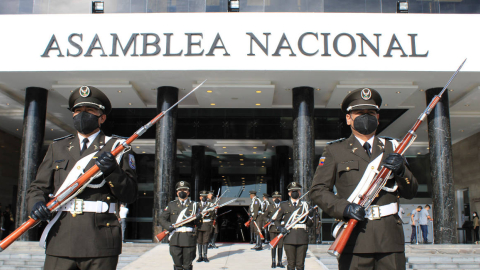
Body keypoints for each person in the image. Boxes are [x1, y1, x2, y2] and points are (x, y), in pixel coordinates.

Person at [26, 86, 138, 270]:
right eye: (77, 111)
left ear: (101, 118)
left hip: (100, 239)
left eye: (89, 111)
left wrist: (113, 171)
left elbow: (130, 195)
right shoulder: (58, 147)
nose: (82, 115)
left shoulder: (117, 148)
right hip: (61, 235)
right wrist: (36, 204)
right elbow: (38, 187)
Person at [310, 88, 418, 270]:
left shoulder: (393, 147)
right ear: (348, 118)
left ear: (377, 118)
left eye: (371, 113)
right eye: (360, 113)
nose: (366, 117)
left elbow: (411, 191)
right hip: (355, 239)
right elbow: (318, 190)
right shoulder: (335, 150)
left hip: (390, 240)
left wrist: (401, 171)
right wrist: (344, 208)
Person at [160, 181, 201, 270]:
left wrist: (198, 218)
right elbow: (162, 219)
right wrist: (168, 226)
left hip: (189, 239)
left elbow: (199, 224)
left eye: (185, 190)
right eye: (180, 190)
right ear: (177, 192)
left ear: (188, 192)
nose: (182, 192)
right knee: (177, 265)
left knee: (187, 266)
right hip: (175, 238)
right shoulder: (171, 205)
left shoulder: (194, 205)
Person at [274, 182, 314, 270]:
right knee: (291, 264)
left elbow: (310, 224)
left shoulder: (305, 205)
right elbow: (277, 220)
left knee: (300, 265)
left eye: (296, 191)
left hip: (302, 238)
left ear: (300, 193)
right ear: (289, 193)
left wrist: (311, 216)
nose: (294, 193)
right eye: (292, 191)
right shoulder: (284, 205)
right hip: (289, 237)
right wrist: (280, 228)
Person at [265, 191, 285, 268]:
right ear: (273, 199)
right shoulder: (270, 207)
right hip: (273, 228)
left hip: (281, 228)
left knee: (280, 246)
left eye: (278, 197)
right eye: (275, 198)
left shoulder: (283, 206)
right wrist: (268, 220)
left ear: (281, 198)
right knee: (273, 245)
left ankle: (279, 262)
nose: (277, 199)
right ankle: (273, 261)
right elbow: (264, 216)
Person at [196, 190, 215, 262]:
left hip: (207, 225)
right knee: (199, 241)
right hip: (199, 225)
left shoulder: (210, 205)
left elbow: (213, 215)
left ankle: (205, 256)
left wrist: (210, 211)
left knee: (205, 241)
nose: (204, 198)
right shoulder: (197, 205)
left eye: (205, 196)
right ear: (200, 197)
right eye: (202, 197)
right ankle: (200, 256)